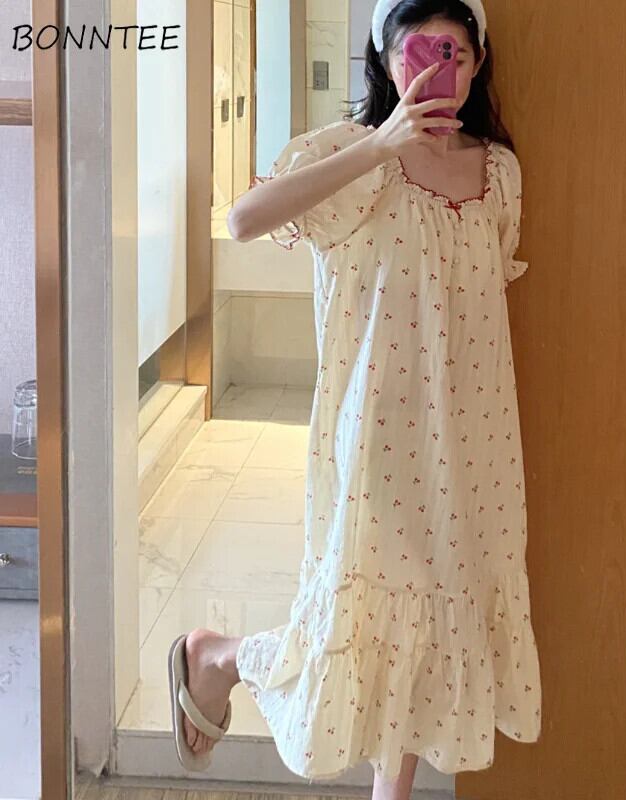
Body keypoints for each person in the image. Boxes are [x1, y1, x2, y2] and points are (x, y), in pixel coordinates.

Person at [169, 1, 541, 798]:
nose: (435, 69)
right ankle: (219, 656)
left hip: (474, 444)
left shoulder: (500, 174)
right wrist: (381, 143)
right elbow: (244, 219)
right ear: (385, 63)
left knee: (423, 629)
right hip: (376, 440)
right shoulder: (348, 156)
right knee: (361, 623)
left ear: (477, 64)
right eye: (416, 53)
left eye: (452, 52)